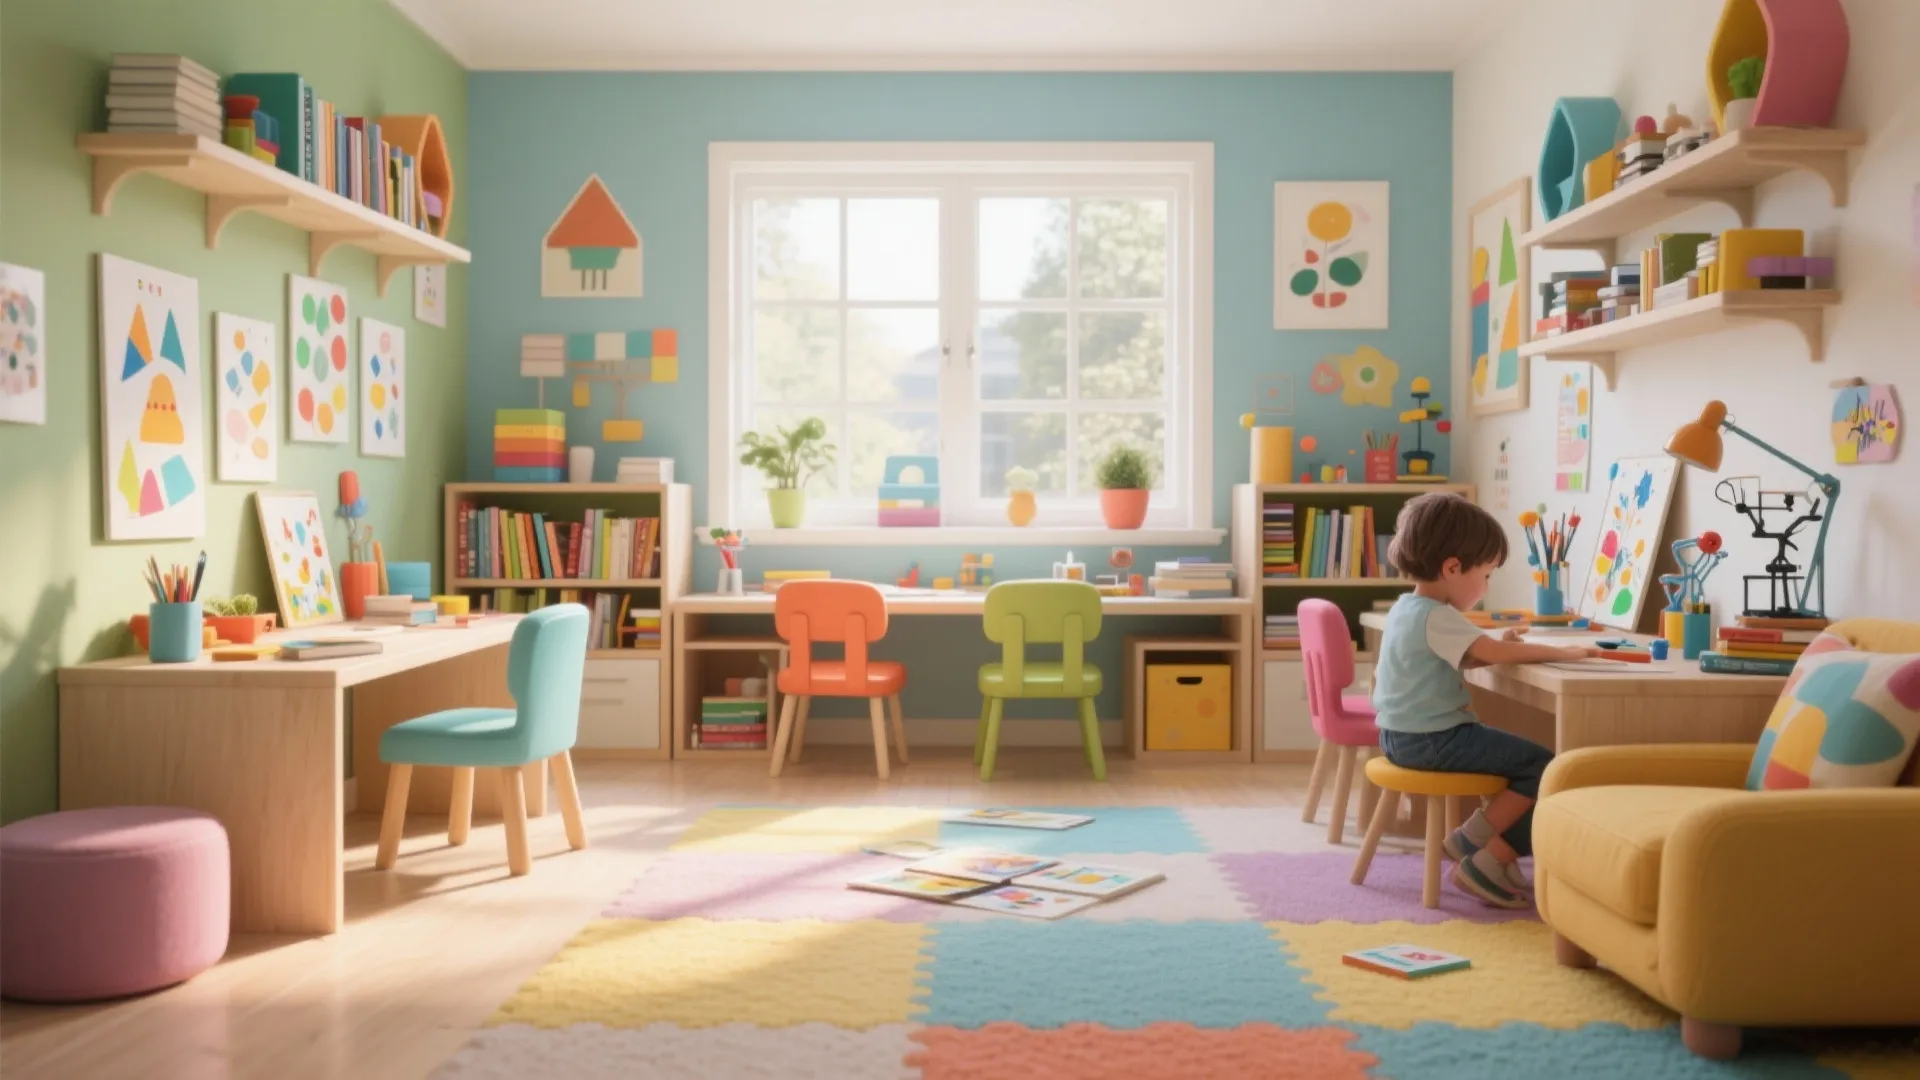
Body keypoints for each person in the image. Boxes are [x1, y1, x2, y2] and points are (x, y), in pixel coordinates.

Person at [1371, 493, 1598, 908]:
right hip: (1434, 740)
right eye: (1487, 574)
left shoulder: (1409, 608)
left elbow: (1469, 653)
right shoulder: (1437, 615)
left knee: (1527, 766)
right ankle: (1484, 853)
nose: (1487, 585)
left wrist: (1496, 643)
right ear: (1453, 567)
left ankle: (1481, 843)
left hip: (1400, 736)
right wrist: (1563, 653)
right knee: (1546, 769)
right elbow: (1491, 655)